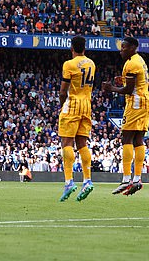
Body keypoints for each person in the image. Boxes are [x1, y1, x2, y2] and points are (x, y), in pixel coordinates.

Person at [102, 37, 149, 196]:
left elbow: (129, 90)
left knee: (126, 138)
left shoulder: (131, 63)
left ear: (132, 47)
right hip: (145, 100)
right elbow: (134, 83)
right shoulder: (139, 60)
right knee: (138, 140)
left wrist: (112, 88)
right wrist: (123, 81)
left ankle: (126, 179)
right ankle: (137, 178)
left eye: (123, 47)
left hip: (136, 102)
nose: (121, 50)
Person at [58, 35, 96, 202]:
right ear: (84, 48)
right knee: (82, 144)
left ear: (72, 48)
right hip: (87, 104)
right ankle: (87, 180)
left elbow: (62, 91)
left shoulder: (69, 64)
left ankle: (69, 181)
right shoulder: (91, 63)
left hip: (73, 103)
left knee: (66, 143)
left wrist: (62, 105)